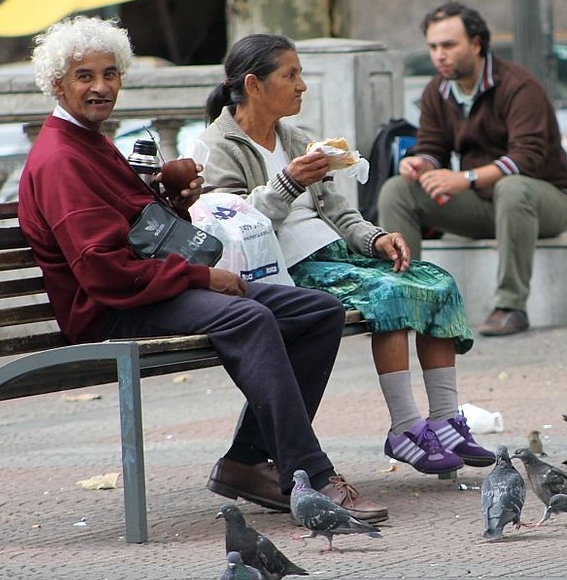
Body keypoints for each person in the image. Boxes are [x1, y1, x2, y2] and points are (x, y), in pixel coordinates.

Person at [16, 16, 387, 523]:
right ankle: (312, 475)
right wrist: (200, 277)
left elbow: (140, 233)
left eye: (110, 73)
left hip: (147, 288)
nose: (101, 87)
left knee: (317, 311)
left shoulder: (93, 142)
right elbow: (104, 272)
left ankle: (246, 461)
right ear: (57, 83)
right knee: (248, 317)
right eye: (85, 77)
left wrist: (170, 195)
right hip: (110, 309)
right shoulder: (62, 157)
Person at [197, 33, 495, 476]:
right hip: (285, 268)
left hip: (335, 253)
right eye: (291, 75)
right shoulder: (217, 145)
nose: (302, 86)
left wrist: (376, 239)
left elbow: (338, 210)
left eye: (300, 75)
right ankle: (405, 427)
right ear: (254, 85)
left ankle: (446, 418)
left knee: (435, 280)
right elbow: (230, 223)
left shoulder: (295, 139)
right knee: (390, 291)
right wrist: (288, 183)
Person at [377, 1, 567, 337]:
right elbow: (434, 149)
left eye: (449, 45)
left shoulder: (518, 85)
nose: (439, 55)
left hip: (544, 201)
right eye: (433, 47)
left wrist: (465, 178)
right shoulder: (436, 91)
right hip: (482, 205)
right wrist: (420, 163)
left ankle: (511, 306)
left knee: (512, 187)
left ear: (476, 44)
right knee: (397, 190)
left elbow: (526, 158)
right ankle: (407, 303)